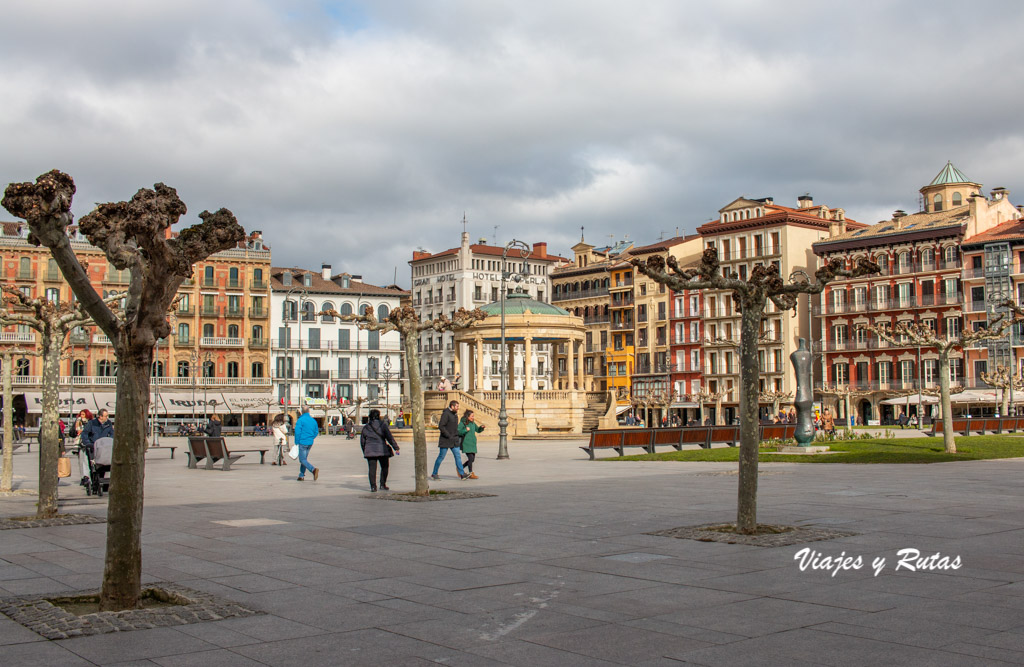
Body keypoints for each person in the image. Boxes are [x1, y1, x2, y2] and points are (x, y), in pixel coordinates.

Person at [360, 408, 399, 492]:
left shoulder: (366, 427)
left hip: (370, 451)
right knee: (385, 467)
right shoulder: (382, 425)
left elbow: (362, 441)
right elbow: (389, 437)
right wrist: (396, 447)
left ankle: (373, 487)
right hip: (382, 450)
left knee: (372, 469)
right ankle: (382, 484)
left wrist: (365, 450)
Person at [432, 400, 467, 480]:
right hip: (446, 440)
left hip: (454, 440)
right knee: (441, 457)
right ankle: (434, 473)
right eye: (457, 406)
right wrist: (448, 435)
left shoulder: (454, 415)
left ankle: (462, 474)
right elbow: (441, 426)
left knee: (458, 456)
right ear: (452, 406)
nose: (458, 408)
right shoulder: (446, 414)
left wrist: (456, 434)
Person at [80, 409, 113, 485]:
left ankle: (101, 480)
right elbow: (85, 434)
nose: (107, 417)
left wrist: (110, 441)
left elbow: (112, 433)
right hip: (93, 446)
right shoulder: (92, 423)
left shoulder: (108, 423)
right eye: (106, 416)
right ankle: (92, 480)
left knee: (103, 464)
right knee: (92, 465)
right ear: (100, 417)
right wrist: (88, 443)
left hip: (104, 446)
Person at [293, 408, 320, 481]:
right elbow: (316, 431)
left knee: (302, 460)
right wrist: (311, 438)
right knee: (304, 459)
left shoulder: (300, 420)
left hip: (302, 442)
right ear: (309, 412)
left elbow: (297, 432)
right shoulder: (313, 420)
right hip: (310, 442)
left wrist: (296, 442)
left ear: (302, 412)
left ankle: (313, 469)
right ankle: (301, 475)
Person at [68, 409, 92, 486]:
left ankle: (88, 476)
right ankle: (84, 477)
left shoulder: (91, 422)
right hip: (80, 444)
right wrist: (76, 431)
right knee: (82, 461)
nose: (81, 416)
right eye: (81, 414)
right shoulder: (77, 422)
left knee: (89, 461)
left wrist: (85, 431)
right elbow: (71, 433)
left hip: (89, 443)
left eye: (83, 414)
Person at [458, 409, 484, 479]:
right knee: (470, 458)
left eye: (473, 416)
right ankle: (470, 473)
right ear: (467, 416)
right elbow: (458, 432)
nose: (473, 417)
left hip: (472, 443)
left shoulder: (472, 423)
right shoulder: (463, 423)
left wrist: (481, 428)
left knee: (472, 460)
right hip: (466, 443)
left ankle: (460, 468)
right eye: (472, 416)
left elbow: (477, 430)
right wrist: (465, 430)